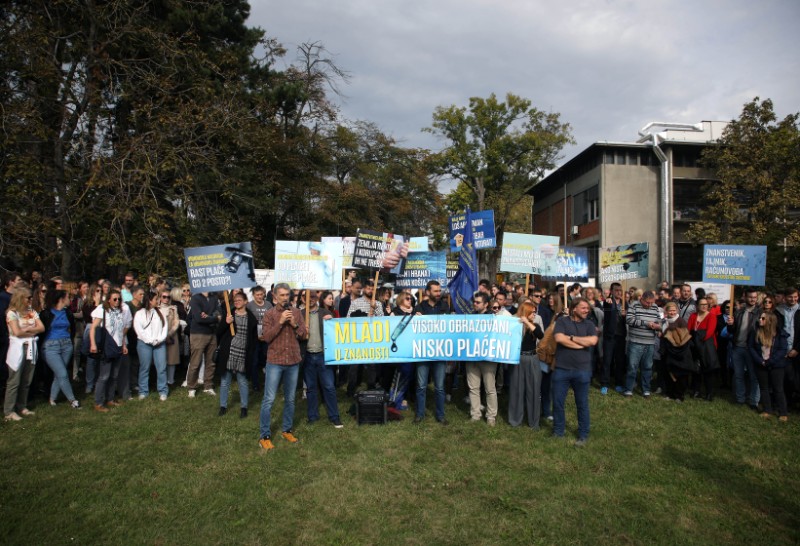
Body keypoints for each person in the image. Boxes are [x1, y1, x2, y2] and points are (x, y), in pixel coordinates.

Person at [258, 283, 308, 450]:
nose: (285, 298)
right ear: (275, 296)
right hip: (275, 361)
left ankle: (287, 429)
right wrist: (280, 322)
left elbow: (303, 335)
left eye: (287, 295)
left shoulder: (296, 313)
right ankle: (264, 435)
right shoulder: (269, 314)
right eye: (282, 295)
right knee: (269, 399)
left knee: (291, 399)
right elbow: (266, 337)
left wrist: (294, 324)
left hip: (293, 361)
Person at [552, 298, 598, 446]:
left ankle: (583, 434)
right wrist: (580, 343)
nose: (586, 310)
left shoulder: (590, 324)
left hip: (582, 370)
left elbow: (592, 341)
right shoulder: (562, 322)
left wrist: (571, 338)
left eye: (587, 308)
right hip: (562, 369)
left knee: (582, 403)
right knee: (558, 402)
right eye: (583, 308)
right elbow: (559, 338)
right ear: (574, 309)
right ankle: (558, 431)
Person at [302, 291, 343, 428]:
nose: (310, 299)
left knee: (329, 387)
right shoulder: (300, 315)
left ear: (316, 298)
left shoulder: (325, 313)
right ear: (302, 299)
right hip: (307, 356)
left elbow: (336, 332)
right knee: (311, 388)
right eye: (306, 296)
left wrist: (331, 320)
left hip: (323, 355)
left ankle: (334, 416)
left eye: (312, 296)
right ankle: (312, 416)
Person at [413, 280, 450, 426]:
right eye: (435, 291)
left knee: (439, 387)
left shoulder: (445, 306)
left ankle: (440, 415)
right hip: (423, 351)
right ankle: (419, 414)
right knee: (421, 386)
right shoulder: (420, 307)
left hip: (440, 351)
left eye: (439, 290)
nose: (438, 293)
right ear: (427, 292)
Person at [4, 287, 44, 421]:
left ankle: (22, 405)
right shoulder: (12, 313)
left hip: (30, 347)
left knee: (26, 380)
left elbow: (41, 327)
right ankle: (9, 410)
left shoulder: (31, 312)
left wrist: (26, 329)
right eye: (28, 298)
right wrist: (31, 330)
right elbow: (17, 332)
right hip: (18, 348)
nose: (30, 300)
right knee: (14, 380)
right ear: (21, 298)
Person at [216, 291, 257, 418]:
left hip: (243, 353)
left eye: (240, 299)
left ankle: (243, 407)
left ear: (246, 301)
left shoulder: (252, 318)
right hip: (229, 351)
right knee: (225, 381)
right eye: (235, 299)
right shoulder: (229, 314)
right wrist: (225, 323)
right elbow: (218, 333)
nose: (237, 301)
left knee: (242, 381)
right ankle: (223, 406)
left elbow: (253, 339)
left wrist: (251, 354)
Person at [39, 289, 81, 408]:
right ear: (61, 299)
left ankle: (52, 399)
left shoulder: (67, 313)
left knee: (59, 374)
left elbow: (72, 328)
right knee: (63, 373)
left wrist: (70, 341)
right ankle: (72, 400)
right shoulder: (46, 313)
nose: (70, 299)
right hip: (51, 346)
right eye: (68, 297)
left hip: (66, 344)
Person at [90, 288, 128, 412]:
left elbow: (121, 331)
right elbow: (93, 328)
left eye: (119, 299)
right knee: (104, 376)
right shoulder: (102, 310)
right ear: (109, 299)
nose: (117, 301)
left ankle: (110, 399)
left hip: (117, 346)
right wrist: (93, 344)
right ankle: (98, 402)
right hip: (106, 346)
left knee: (114, 375)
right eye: (114, 299)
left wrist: (123, 345)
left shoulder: (120, 311)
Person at [508, 300, 544, 428]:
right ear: (526, 312)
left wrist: (527, 322)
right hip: (517, 359)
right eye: (532, 312)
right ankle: (515, 420)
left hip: (532, 358)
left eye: (535, 312)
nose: (535, 314)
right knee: (516, 389)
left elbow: (540, 335)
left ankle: (534, 422)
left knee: (533, 389)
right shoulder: (514, 325)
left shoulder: (534, 325)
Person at [748, 312, 789, 421]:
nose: (759, 320)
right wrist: (760, 361)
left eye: (763, 318)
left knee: (778, 389)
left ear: (770, 321)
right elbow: (751, 347)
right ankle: (767, 410)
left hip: (776, 366)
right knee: (764, 388)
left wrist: (770, 361)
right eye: (760, 318)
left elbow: (782, 350)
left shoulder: (780, 334)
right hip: (760, 365)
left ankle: (783, 412)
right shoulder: (756, 332)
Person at [466, 293, 498, 426]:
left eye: (478, 302)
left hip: (488, 358)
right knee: (473, 388)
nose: (475, 304)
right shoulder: (469, 317)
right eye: (474, 302)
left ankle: (491, 416)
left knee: (490, 388)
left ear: (486, 304)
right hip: (472, 357)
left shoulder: (494, 318)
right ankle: (475, 414)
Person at [726, 288, 761, 409]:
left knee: (753, 376)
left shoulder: (760, 313)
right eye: (750, 297)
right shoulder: (738, 312)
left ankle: (753, 401)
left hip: (752, 348)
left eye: (754, 297)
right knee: (738, 374)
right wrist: (730, 324)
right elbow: (732, 330)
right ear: (745, 297)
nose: (752, 299)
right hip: (738, 347)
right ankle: (740, 398)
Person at [624, 290, 662, 398]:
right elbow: (629, 320)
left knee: (647, 367)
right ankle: (629, 389)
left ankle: (646, 390)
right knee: (632, 366)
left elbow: (659, 321)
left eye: (651, 302)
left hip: (650, 342)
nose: (649, 305)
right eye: (647, 303)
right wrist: (646, 324)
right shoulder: (634, 305)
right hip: (635, 341)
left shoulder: (655, 307)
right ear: (642, 299)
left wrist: (658, 327)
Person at [134, 291, 169, 401]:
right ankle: (143, 391)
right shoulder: (139, 314)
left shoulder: (160, 313)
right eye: (155, 299)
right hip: (144, 344)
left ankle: (163, 390)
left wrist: (159, 339)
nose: (157, 301)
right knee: (144, 368)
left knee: (161, 368)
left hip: (159, 344)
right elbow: (139, 330)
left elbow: (165, 327)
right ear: (150, 301)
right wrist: (149, 340)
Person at [186, 290, 220, 397]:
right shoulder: (196, 298)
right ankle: (192, 387)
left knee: (211, 361)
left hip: (212, 333)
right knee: (195, 362)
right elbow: (198, 318)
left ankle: (208, 385)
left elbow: (220, 313)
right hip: (198, 334)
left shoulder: (214, 297)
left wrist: (209, 317)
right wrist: (214, 318)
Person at [660, 302, 694, 402]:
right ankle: (669, 394)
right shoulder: (664, 321)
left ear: (677, 311)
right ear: (666, 311)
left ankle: (679, 395)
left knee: (679, 375)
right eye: (670, 310)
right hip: (667, 351)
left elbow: (683, 337)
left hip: (678, 353)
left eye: (674, 310)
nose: (672, 312)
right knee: (668, 373)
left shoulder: (681, 321)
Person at [687, 297, 719, 401]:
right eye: (702, 304)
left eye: (706, 304)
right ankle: (696, 391)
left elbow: (710, 332)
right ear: (697, 306)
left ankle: (709, 393)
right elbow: (688, 329)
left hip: (706, 347)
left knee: (708, 370)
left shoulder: (711, 316)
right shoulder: (693, 316)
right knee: (696, 370)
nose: (704, 306)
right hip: (695, 346)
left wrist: (698, 339)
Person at [602, 282, 627, 395]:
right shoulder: (608, 302)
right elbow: (606, 305)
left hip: (621, 336)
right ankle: (605, 383)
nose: (618, 292)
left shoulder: (625, 304)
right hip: (609, 336)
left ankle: (618, 383)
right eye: (616, 290)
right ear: (611, 291)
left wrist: (625, 315)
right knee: (607, 360)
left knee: (620, 361)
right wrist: (608, 299)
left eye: (620, 290)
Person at [246, 285, 272, 391]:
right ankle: (255, 384)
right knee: (254, 361)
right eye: (257, 295)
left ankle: (268, 383)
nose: (260, 297)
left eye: (261, 294)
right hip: (254, 337)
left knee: (267, 360)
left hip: (266, 336)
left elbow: (272, 319)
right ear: (253, 295)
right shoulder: (249, 306)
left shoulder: (268, 304)